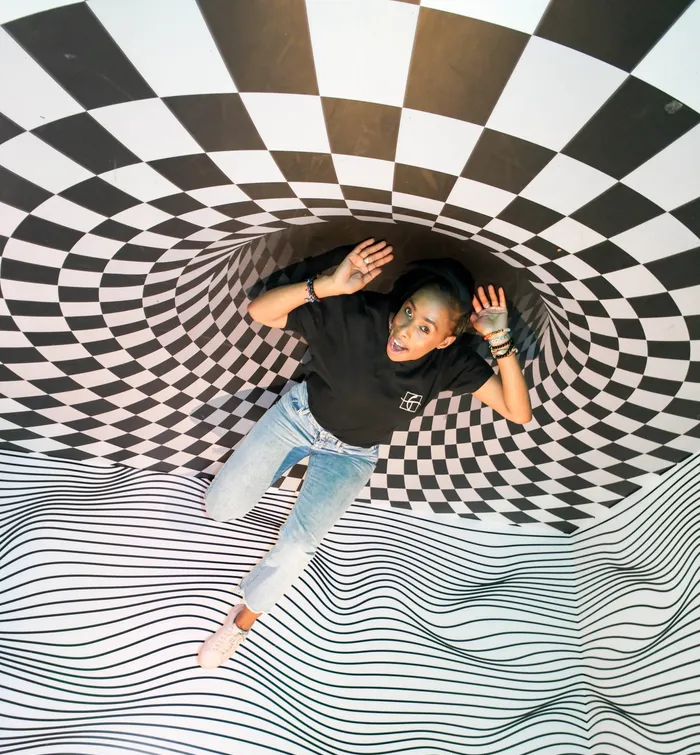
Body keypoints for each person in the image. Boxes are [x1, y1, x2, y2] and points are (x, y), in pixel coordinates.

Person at [198, 238, 532, 669]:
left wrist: (500, 339)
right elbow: (261, 312)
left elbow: (517, 411)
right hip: (299, 418)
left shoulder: (451, 363)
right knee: (220, 509)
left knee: (298, 547)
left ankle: (240, 624)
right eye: (408, 312)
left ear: (446, 340)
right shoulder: (359, 315)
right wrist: (326, 287)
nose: (405, 330)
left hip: (353, 454)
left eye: (426, 328)